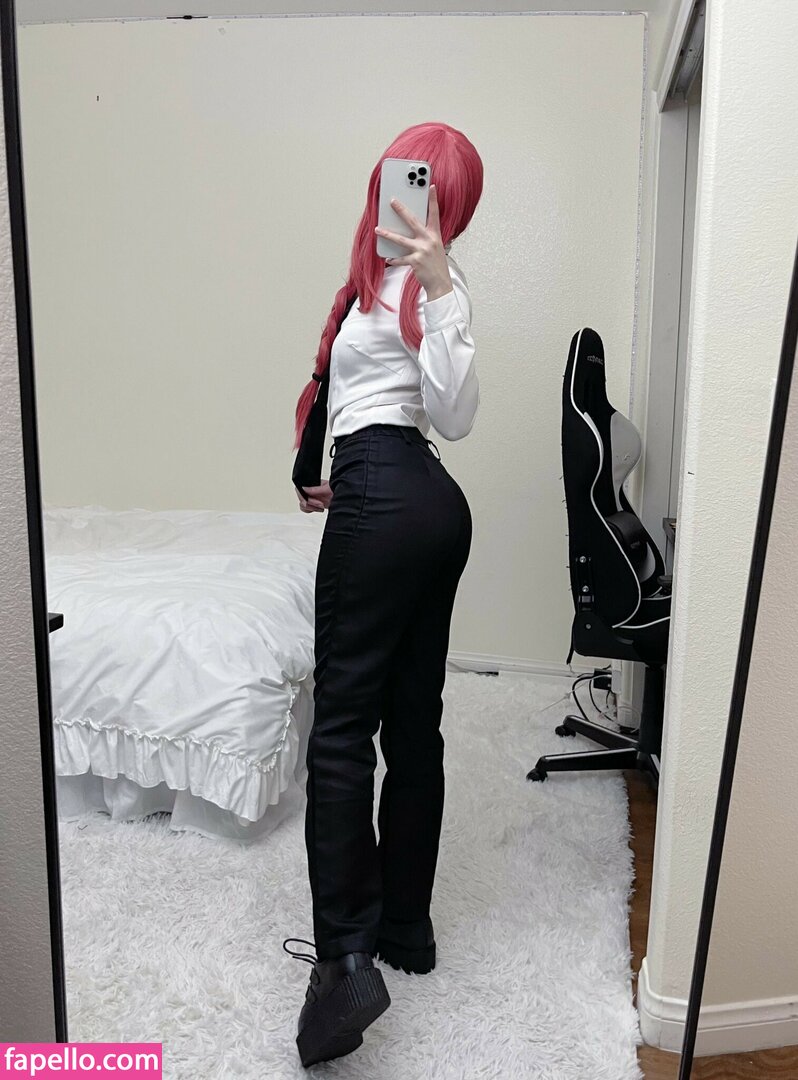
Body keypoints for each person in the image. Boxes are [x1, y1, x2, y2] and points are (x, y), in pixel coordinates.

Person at [283, 121, 483, 1068]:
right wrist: (319, 469)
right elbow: (350, 396)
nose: (406, 202)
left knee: (341, 731)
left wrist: (440, 283)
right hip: (411, 500)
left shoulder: (435, 287)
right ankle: (406, 927)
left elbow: (455, 414)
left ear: (451, 208)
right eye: (402, 182)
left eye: (430, 190)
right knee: (411, 721)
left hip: (396, 492)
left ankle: (347, 959)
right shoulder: (366, 291)